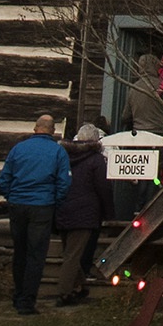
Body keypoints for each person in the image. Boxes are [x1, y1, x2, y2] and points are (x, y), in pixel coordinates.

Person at [0, 109, 72, 316]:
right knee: (36, 255)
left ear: (35, 128)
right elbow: (64, 182)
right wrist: (55, 201)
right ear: (53, 131)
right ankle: (27, 301)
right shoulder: (58, 152)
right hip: (42, 205)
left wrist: (10, 196)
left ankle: (18, 294)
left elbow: (4, 178)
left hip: (18, 204)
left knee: (20, 252)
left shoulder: (18, 149)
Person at [49, 123, 110, 306]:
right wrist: (109, 212)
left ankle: (81, 287)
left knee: (70, 252)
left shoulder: (63, 157)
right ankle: (64, 293)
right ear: (95, 140)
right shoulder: (96, 160)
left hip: (63, 210)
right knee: (72, 256)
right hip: (85, 213)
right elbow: (103, 188)